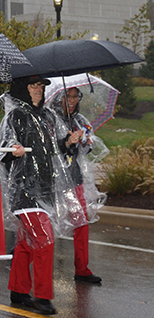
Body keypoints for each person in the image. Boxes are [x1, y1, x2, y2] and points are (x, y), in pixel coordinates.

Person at [0, 75, 78, 315]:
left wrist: (67, 142)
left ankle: (18, 290)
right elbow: (0, 150)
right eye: (33, 85)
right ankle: (42, 296)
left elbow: (53, 150)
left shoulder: (48, 116)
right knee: (44, 239)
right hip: (23, 190)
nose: (39, 89)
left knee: (26, 243)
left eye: (41, 85)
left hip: (45, 189)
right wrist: (13, 151)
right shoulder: (15, 116)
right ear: (23, 89)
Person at [50, 87, 107, 284]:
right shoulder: (49, 119)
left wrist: (85, 140)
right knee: (45, 225)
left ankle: (82, 268)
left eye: (75, 96)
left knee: (81, 222)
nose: (72, 100)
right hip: (52, 182)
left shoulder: (79, 120)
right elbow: (48, 148)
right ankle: (28, 261)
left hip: (74, 180)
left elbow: (87, 148)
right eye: (68, 96)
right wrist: (66, 142)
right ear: (58, 98)